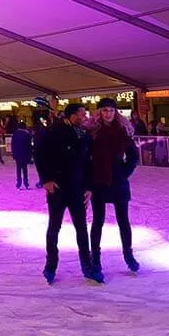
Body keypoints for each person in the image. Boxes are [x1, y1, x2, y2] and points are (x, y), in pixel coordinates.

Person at [35, 104, 98, 284]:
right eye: (82, 114)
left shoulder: (84, 134)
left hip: (77, 188)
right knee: (54, 227)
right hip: (58, 188)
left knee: (81, 228)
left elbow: (88, 163)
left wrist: (89, 187)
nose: (85, 117)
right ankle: (51, 265)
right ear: (72, 116)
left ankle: (87, 265)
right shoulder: (53, 131)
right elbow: (40, 155)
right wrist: (46, 179)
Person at [88, 98, 140, 282]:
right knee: (98, 221)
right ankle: (96, 260)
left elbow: (134, 156)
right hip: (99, 182)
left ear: (115, 112)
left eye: (111, 110)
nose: (108, 113)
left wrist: (124, 172)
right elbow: (86, 158)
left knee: (123, 221)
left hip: (118, 183)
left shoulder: (122, 132)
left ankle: (128, 255)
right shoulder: (92, 132)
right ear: (99, 113)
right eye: (104, 110)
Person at [11, 121, 33, 189]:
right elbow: (29, 146)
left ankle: (19, 182)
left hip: (17, 154)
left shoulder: (15, 134)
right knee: (24, 168)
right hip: (24, 154)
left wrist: (13, 153)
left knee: (18, 168)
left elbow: (13, 144)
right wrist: (30, 155)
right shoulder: (27, 134)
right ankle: (26, 182)